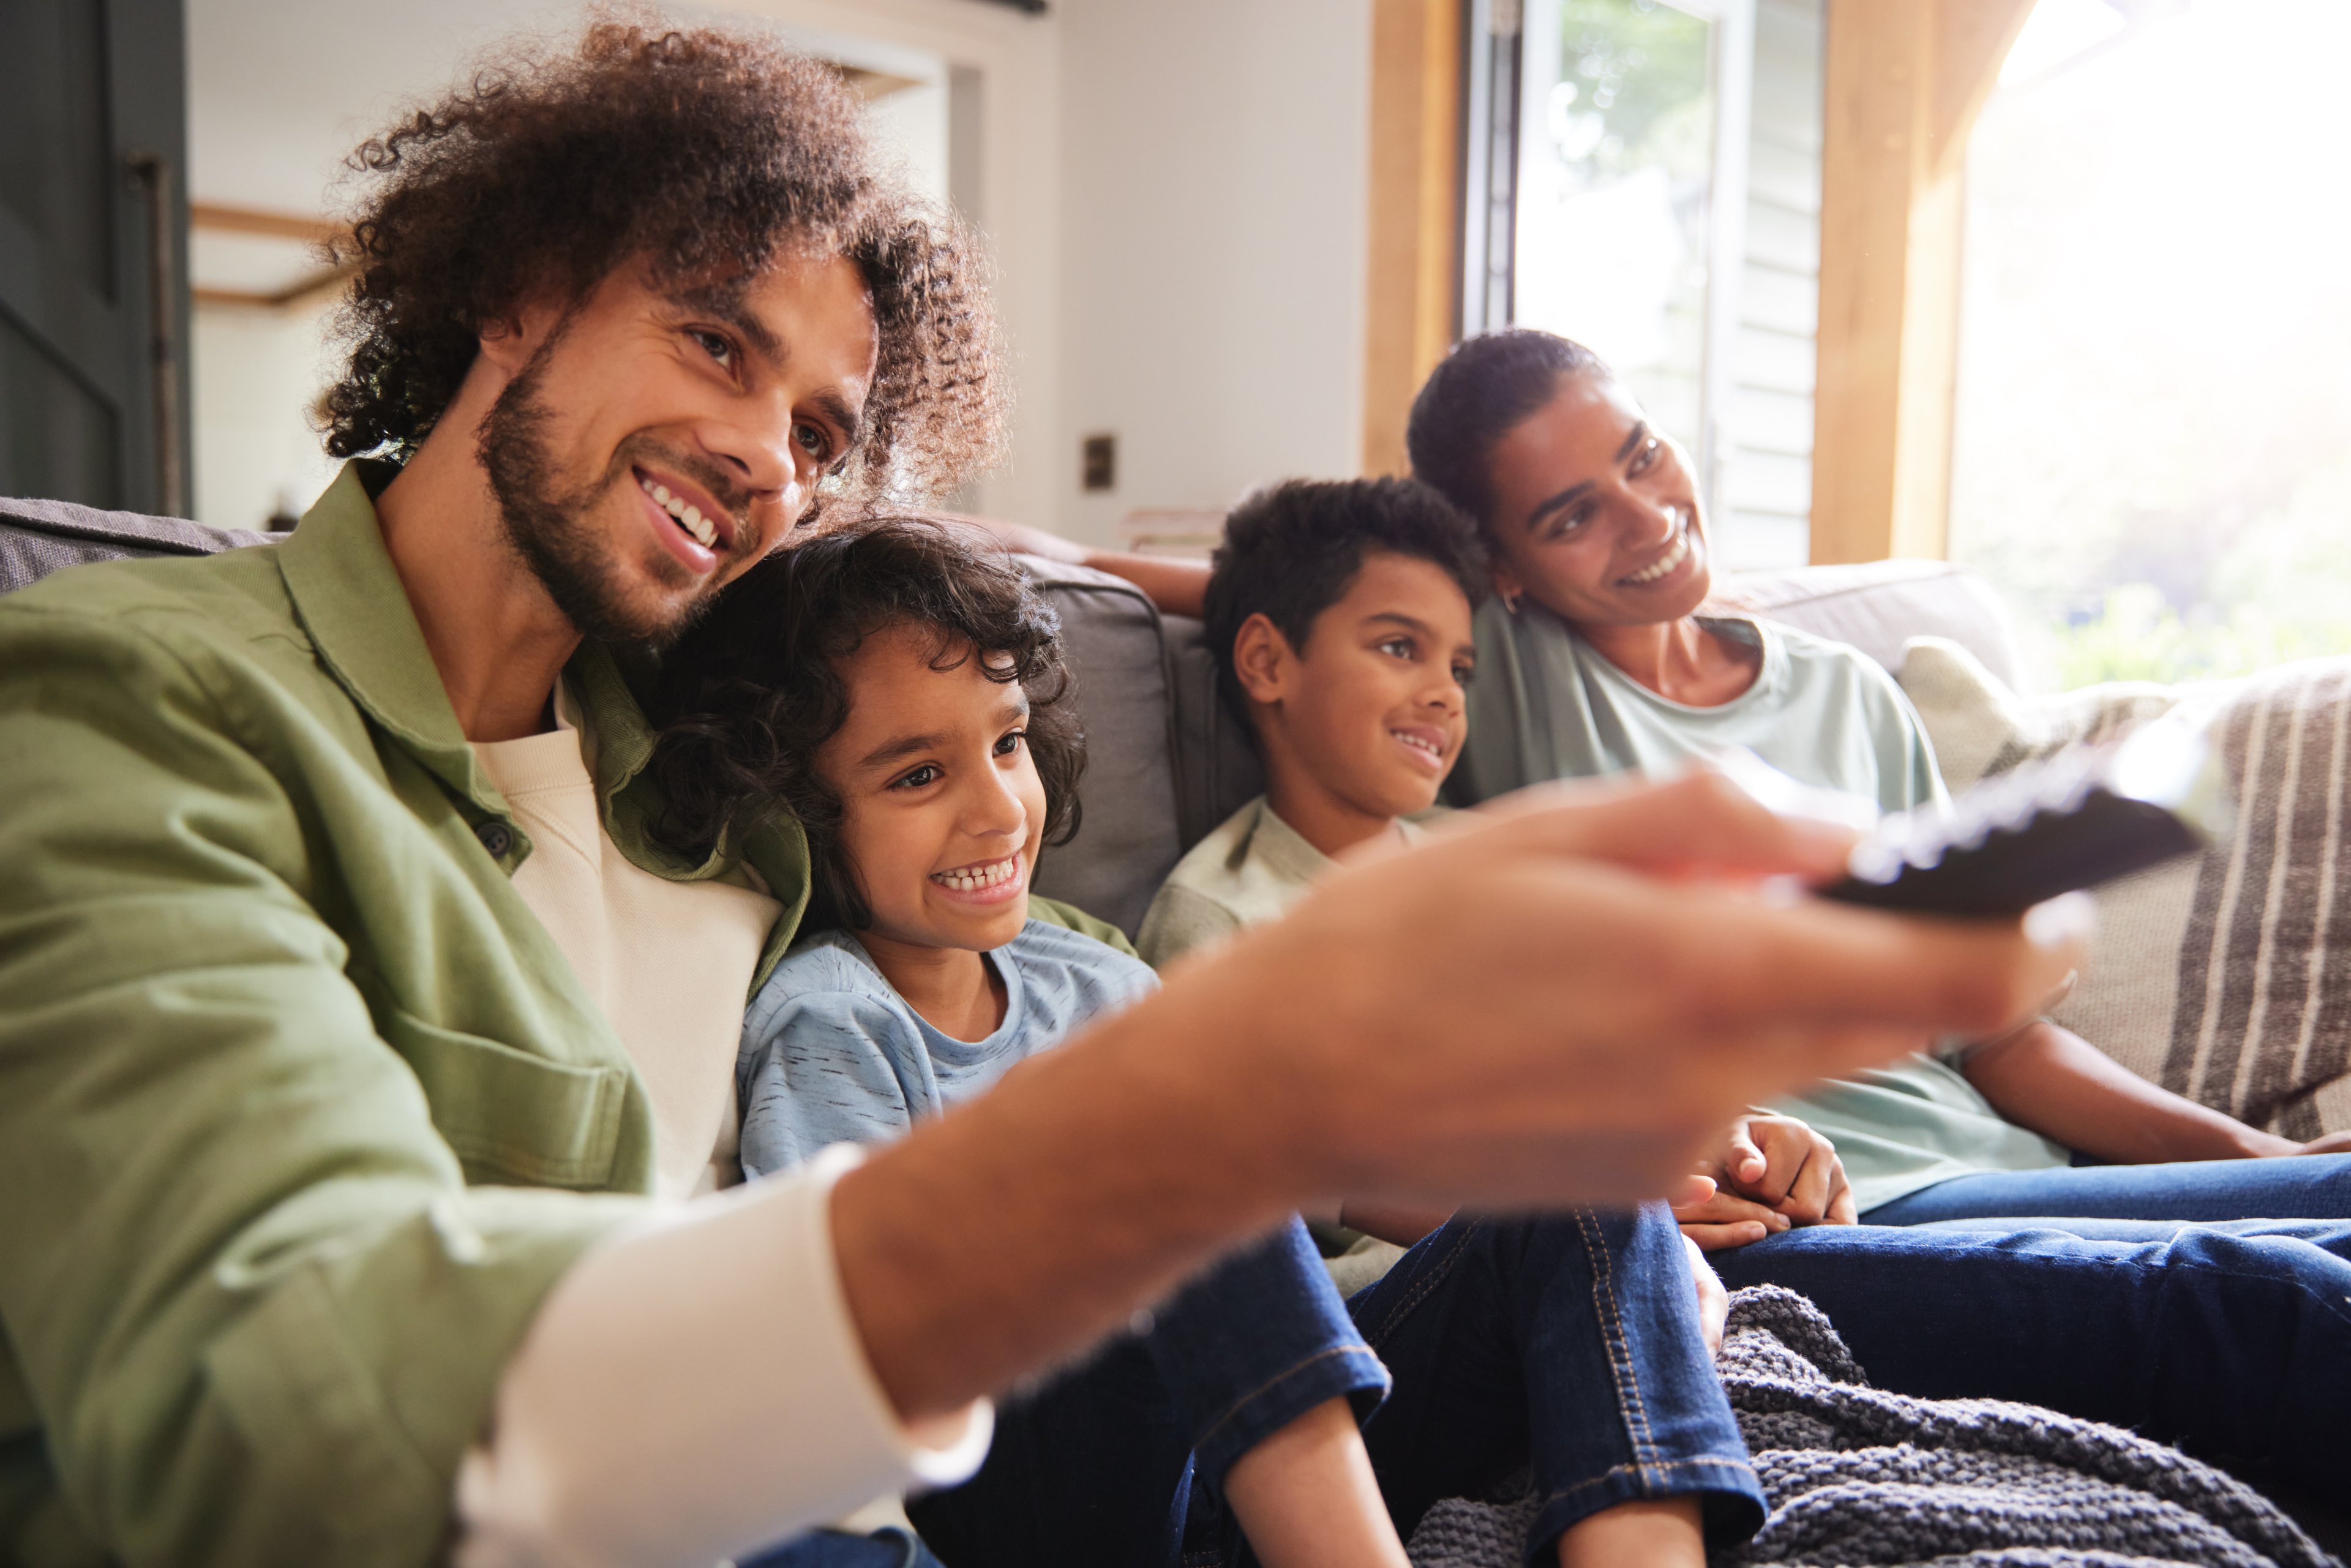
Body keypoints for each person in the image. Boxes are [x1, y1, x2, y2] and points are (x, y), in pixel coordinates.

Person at [0, 21, 2089, 1568]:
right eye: (713, 343)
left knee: (1529, 1198)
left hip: (980, 1452)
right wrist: (1189, 1112)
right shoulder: (134, 701)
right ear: (516, 291)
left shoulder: (719, 771)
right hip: (645, 1516)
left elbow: (981, 712)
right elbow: (256, 1411)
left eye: (823, 426)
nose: (767, 457)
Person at [1128, 465, 2351, 1507]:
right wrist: (1605, 1190)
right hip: (1585, 1289)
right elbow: (1279, 1182)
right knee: (2255, 1309)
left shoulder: (1491, 851)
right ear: (1264, 663)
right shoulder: (1219, 912)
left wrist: (1759, 1136)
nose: (1449, 691)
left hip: (1733, 1222)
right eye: (1400, 650)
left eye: (1459, 659)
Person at [654, 514, 1762, 1567]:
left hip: (1255, 1477)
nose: (998, 811)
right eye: (916, 775)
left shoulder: (1092, 975)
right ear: (798, 807)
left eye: (1008, 744)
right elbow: (856, 1343)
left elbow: (1318, 1170)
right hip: (1052, 1493)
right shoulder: (832, 1013)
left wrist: (1632, 1244)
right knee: (1175, 1161)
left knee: (1584, 1198)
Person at [1401, 326, 2351, 1233]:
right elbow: (1333, 596)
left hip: (1999, 1170)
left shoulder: (1848, 691)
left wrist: (2256, 1155)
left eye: (1642, 454)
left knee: (2322, 1203)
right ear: (1499, 566)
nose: (1648, 514)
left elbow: (1996, 1038)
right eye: (1574, 515)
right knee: (2272, 1290)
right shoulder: (1489, 675)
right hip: (1835, 1202)